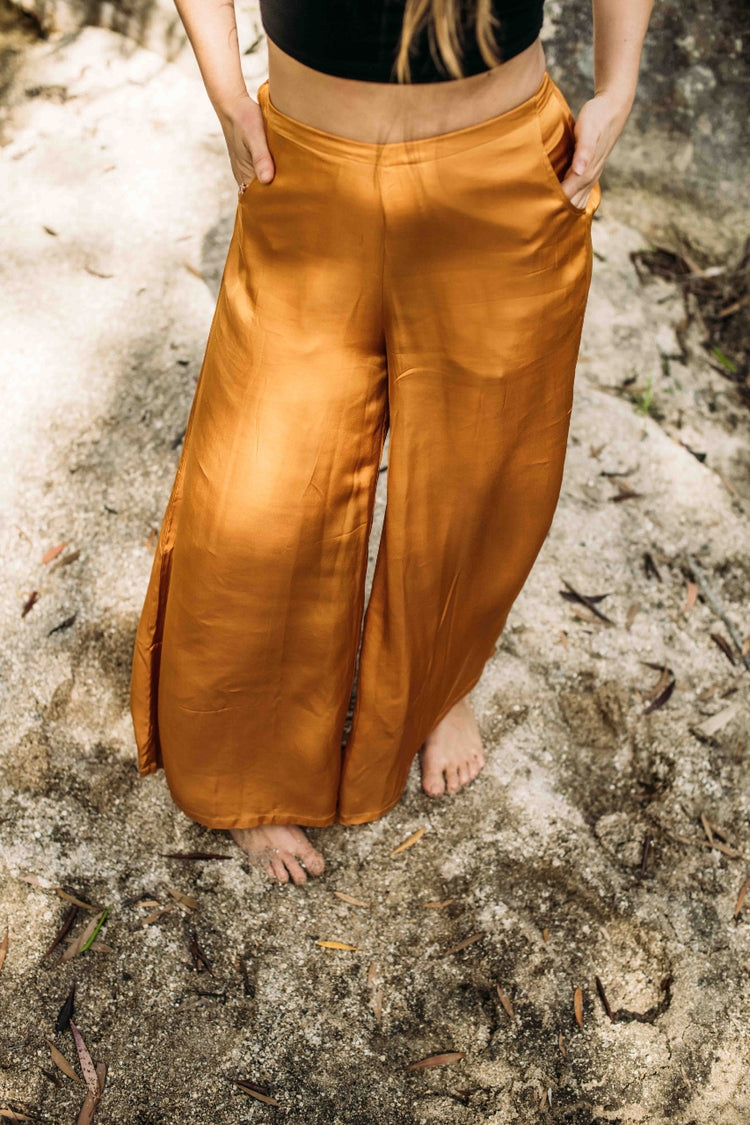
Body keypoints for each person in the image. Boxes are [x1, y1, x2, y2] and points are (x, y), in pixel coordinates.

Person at [129, 0, 653, 885]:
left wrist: (620, 84)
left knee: (482, 470)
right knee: (263, 479)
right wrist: (225, 91)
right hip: (308, 163)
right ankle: (248, 765)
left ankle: (438, 690)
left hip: (503, 170)